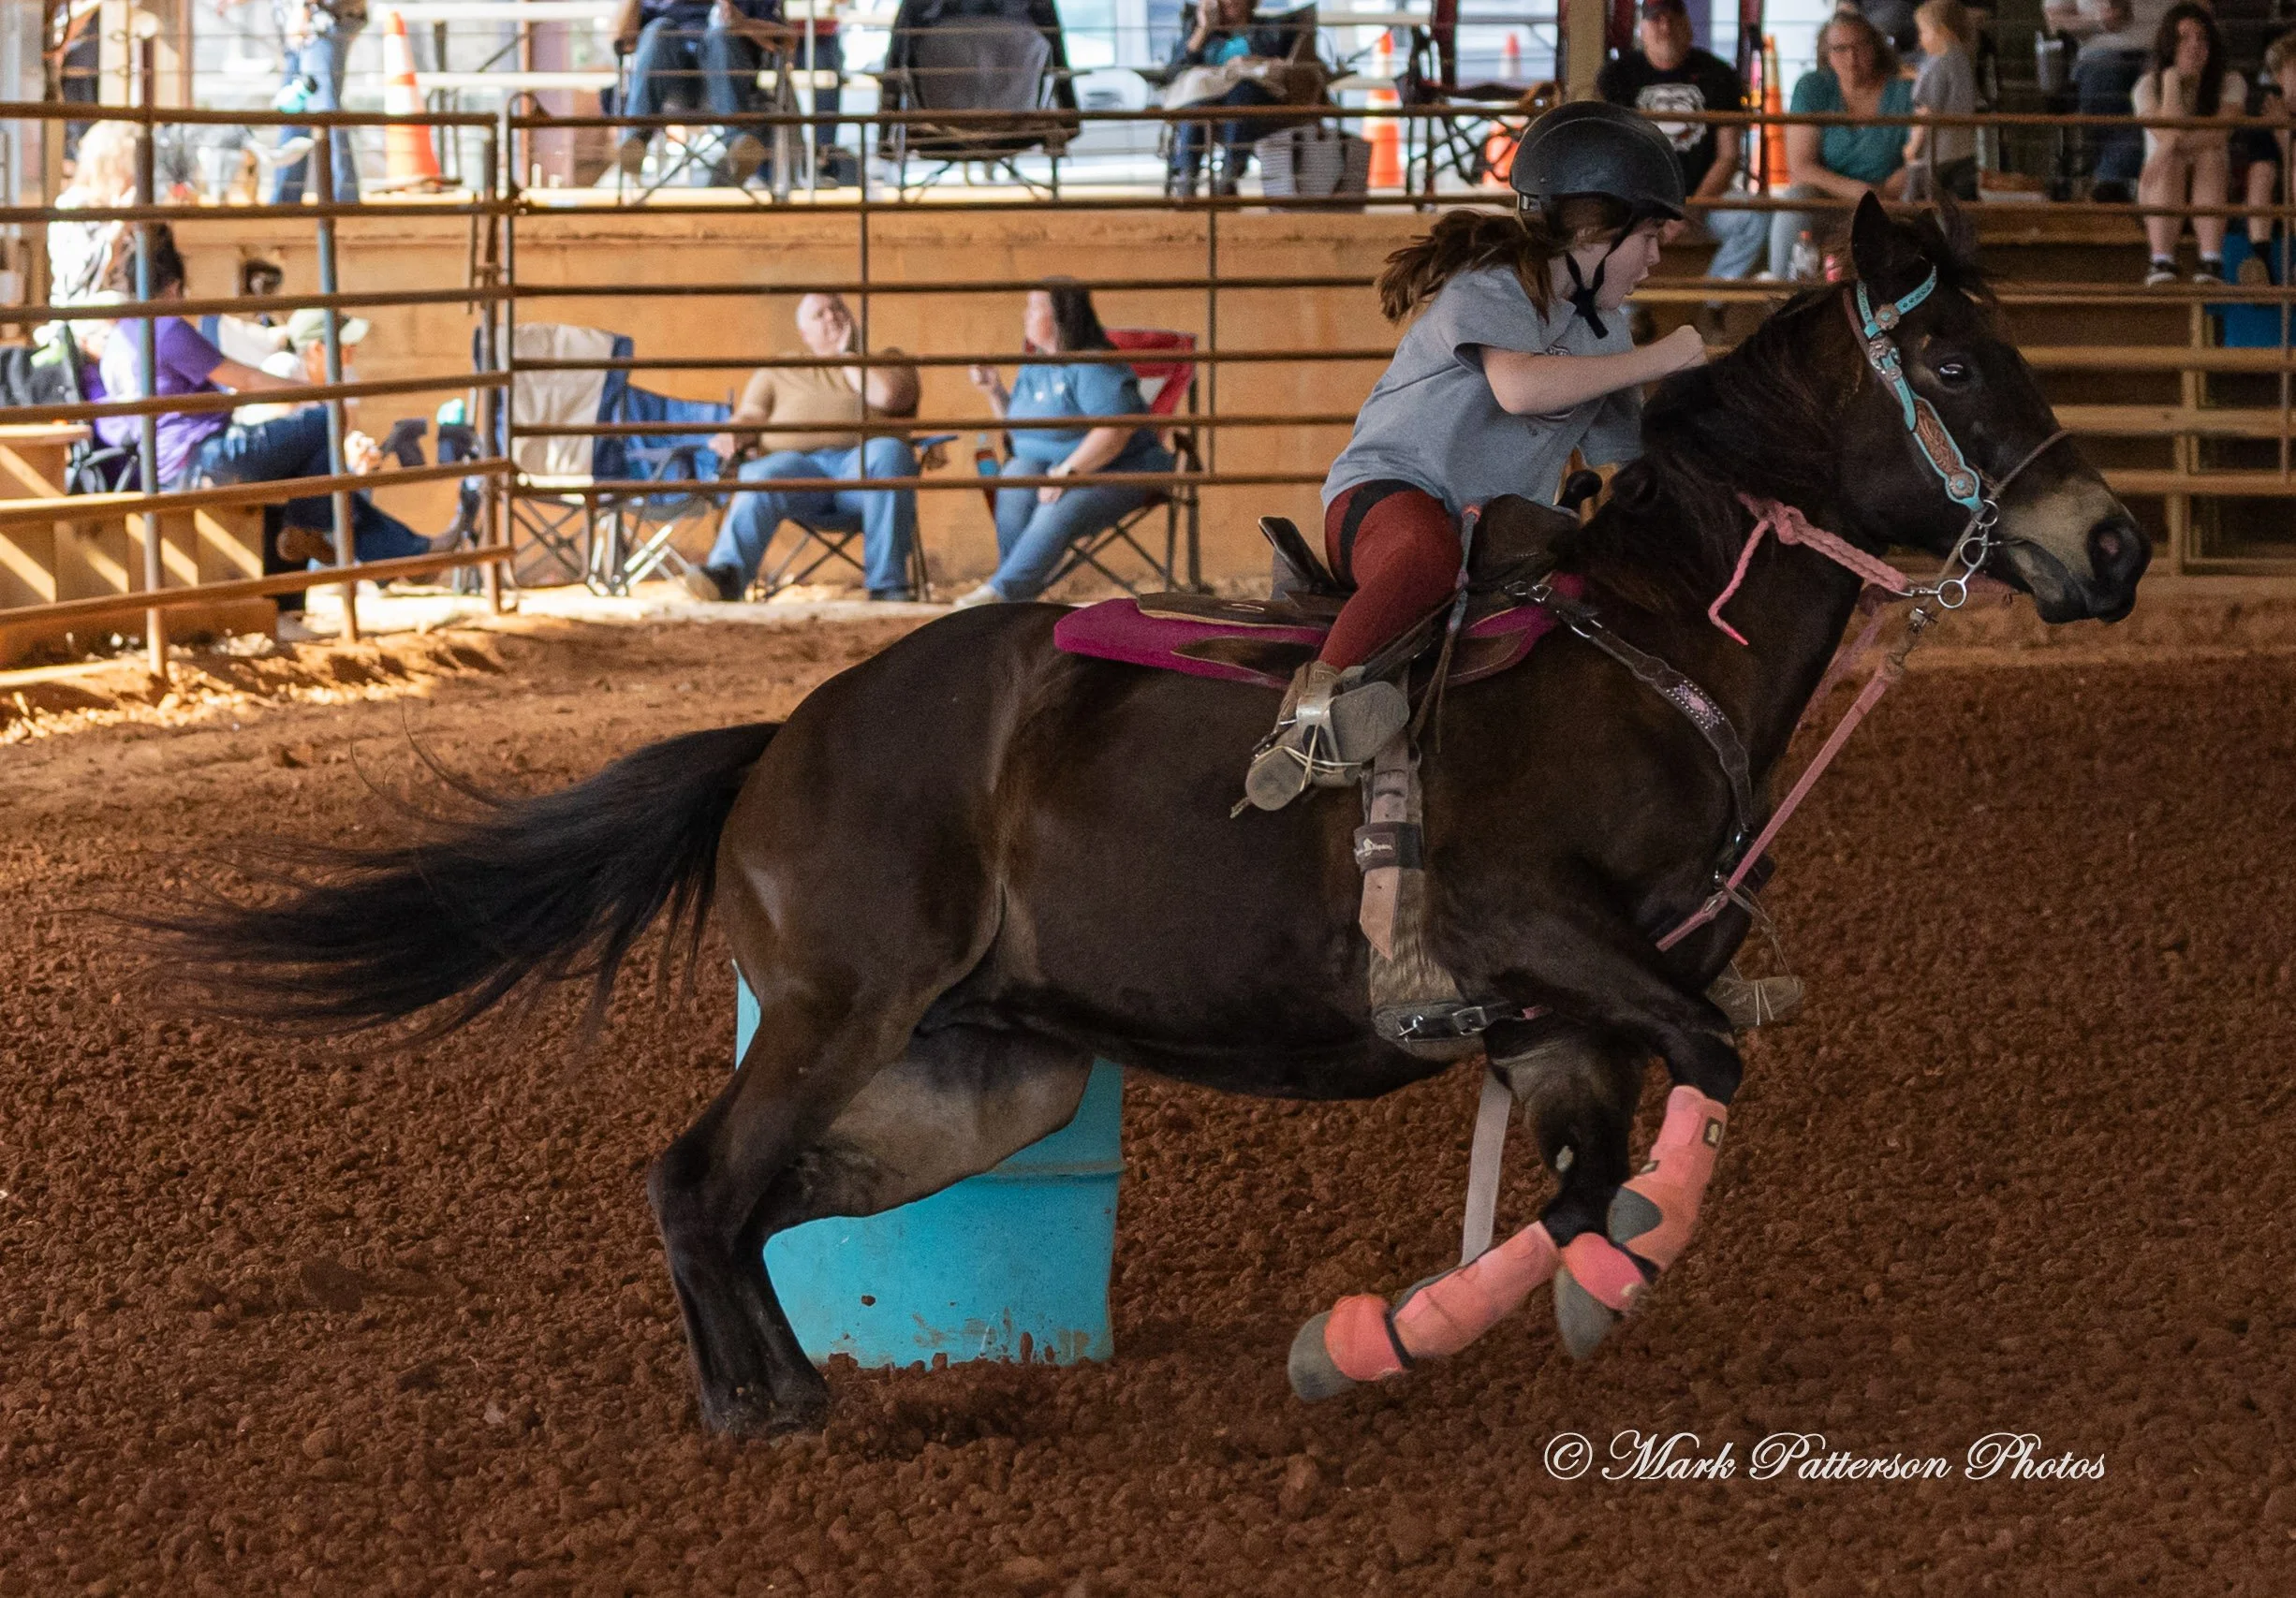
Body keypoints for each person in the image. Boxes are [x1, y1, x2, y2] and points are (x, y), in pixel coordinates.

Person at [1242, 101, 1705, 812]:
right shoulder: (1491, 286)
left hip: (1484, 535)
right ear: (1595, 231)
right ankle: (1309, 721)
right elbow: (1519, 388)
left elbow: (1634, 464)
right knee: (1424, 553)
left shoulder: (1607, 336)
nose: (1655, 259)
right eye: (1647, 237)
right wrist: (1663, 356)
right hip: (1383, 496)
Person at [94, 232, 448, 571]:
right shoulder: (168, 329)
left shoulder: (120, 337)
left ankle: (408, 553)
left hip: (166, 464)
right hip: (204, 457)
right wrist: (317, 395)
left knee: (321, 476)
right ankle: (311, 528)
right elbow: (248, 380)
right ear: (173, 288)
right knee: (327, 421)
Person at [683, 292, 926, 603]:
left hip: (863, 476)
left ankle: (888, 587)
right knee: (760, 472)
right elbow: (751, 414)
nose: (831, 316)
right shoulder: (778, 370)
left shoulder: (888, 361)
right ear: (804, 333)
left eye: (837, 308)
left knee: (890, 452)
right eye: (819, 314)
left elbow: (888, 397)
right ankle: (727, 576)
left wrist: (847, 355)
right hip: (798, 474)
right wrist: (734, 433)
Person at [957, 284, 1174, 607]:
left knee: (1056, 503)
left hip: (1121, 468)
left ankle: (1004, 594)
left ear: (1061, 315)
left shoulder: (1093, 365)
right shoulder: (1036, 365)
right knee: (1015, 476)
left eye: (1034, 308)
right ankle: (1015, 595)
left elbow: (1115, 431)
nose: (1025, 315)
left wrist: (1067, 472)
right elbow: (1022, 434)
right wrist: (995, 391)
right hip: (1052, 466)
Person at [1597, 0, 1764, 295]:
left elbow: (1728, 156)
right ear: (1641, 28)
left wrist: (1690, 209)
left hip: (1705, 202)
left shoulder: (1719, 74)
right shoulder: (1617, 76)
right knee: (1601, 219)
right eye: (1656, 18)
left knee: (1756, 215)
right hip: (1637, 204)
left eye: (1673, 17)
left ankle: (1713, 301)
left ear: (1688, 25)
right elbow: (1614, 156)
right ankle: (1624, 309)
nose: (1665, 26)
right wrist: (1653, 210)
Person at [1772, 13, 1915, 280]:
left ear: (1876, 47)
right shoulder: (1812, 88)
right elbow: (1801, 167)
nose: (1851, 58)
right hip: (1829, 199)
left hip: (1889, 202)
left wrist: (1884, 194)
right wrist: (1859, 191)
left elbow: (1919, 158)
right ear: (1826, 54)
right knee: (1795, 200)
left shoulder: (1904, 91)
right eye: (1840, 49)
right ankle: (1780, 291)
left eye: (1861, 46)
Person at [612, 0, 791, 184]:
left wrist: (742, 24)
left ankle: (740, 145)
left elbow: (787, 40)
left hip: (727, 86)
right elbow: (622, 42)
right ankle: (635, 141)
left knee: (720, 35)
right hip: (669, 86)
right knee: (659, 29)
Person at [2134, 2, 2244, 285]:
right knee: (2172, 159)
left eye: (2202, 38)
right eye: (2184, 38)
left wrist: (2169, 145)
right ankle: (2161, 260)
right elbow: (2166, 133)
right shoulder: (2147, 85)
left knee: (2209, 154)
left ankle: (2211, 260)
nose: (2195, 45)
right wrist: (2172, 80)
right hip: (2159, 189)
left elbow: (2219, 133)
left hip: (2213, 187)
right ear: (2169, 45)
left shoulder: (2231, 82)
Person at [1162, 0, 1315, 198]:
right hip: (1208, 99)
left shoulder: (1269, 30)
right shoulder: (1199, 31)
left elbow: (1281, 66)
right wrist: (1203, 29)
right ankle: (1187, 178)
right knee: (1196, 104)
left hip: (1250, 99)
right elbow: (1174, 73)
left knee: (1241, 93)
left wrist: (1248, 61)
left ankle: (1229, 177)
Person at [254, 0, 367, 204]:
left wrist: (303, 7)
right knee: (294, 110)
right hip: (304, 27)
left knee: (324, 112)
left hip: (318, 25)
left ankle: (343, 200)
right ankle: (287, 200)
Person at [2071, 0, 2150, 201]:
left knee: (2162, 86)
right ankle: (2113, 183)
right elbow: (2054, 20)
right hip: (2099, 52)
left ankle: (2108, 183)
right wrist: (2097, 21)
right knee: (2105, 73)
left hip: (2160, 50)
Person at [2235, 31, 2296, 284]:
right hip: (2275, 188)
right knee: (2261, 171)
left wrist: (2284, 133)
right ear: (2279, 76)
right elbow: (2260, 158)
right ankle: (2261, 260)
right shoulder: (2268, 110)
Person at [1904, 0, 1980, 201]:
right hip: (1964, 149)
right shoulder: (1963, 60)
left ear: (1942, 31)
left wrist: (1913, 146)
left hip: (1935, 153)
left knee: (1916, 205)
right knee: (1962, 205)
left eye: (1923, 32)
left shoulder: (1936, 65)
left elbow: (1926, 110)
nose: (1920, 40)